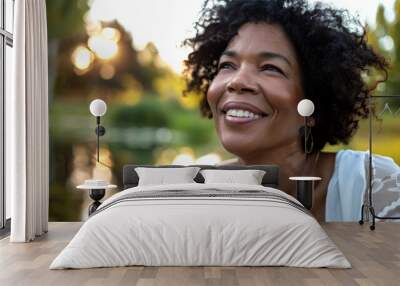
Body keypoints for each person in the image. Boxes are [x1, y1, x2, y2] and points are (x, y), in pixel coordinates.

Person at [183, 0, 400, 222]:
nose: (237, 81)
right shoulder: (198, 192)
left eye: (270, 68)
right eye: (227, 65)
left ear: (313, 104)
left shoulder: (372, 186)